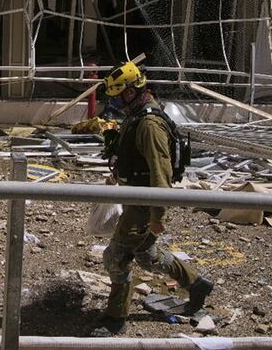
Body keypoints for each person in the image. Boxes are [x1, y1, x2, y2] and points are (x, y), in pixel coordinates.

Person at [89, 61, 213, 338]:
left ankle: (114, 318)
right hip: (137, 199)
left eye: (119, 95)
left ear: (132, 91)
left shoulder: (149, 124)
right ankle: (196, 284)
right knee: (147, 254)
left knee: (117, 257)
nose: (116, 101)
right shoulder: (138, 116)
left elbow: (161, 174)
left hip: (144, 204)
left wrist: (158, 216)